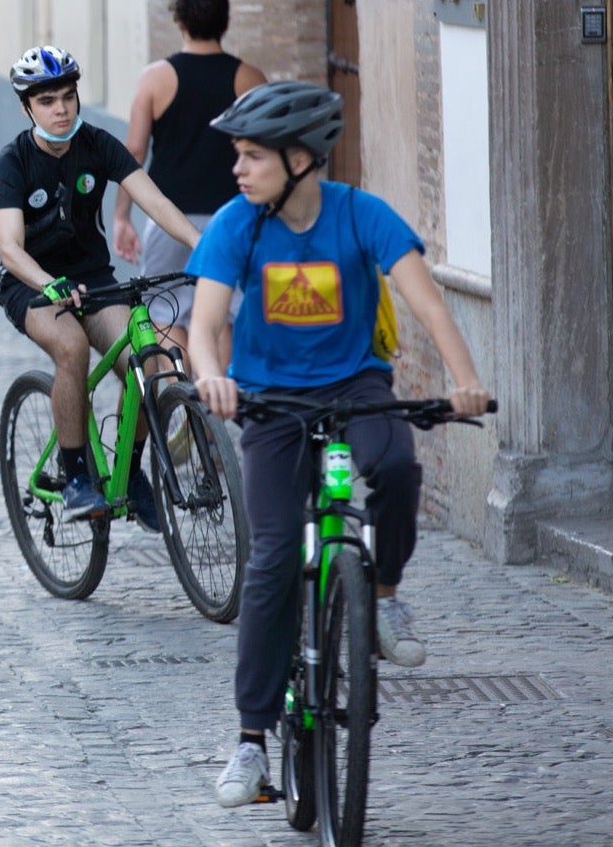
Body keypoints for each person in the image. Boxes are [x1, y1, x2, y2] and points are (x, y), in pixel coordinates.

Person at [184, 82, 491, 807]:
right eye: (239, 155)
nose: (238, 168)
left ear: (300, 159)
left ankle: (383, 594)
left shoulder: (362, 216)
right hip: (268, 400)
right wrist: (211, 378)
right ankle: (251, 741)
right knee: (271, 561)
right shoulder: (236, 224)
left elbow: (425, 301)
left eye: (252, 155)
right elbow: (202, 325)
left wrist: (466, 380)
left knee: (395, 466)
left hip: (355, 386)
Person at [0, 45, 204, 525]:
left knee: (149, 360)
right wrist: (50, 284)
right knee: (71, 347)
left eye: (67, 97)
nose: (60, 109)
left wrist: (202, 244)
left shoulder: (98, 145)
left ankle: (130, 472)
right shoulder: (13, 163)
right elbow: (9, 248)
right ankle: (76, 475)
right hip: (31, 283)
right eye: (47, 101)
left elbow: (155, 200)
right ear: (27, 108)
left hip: (93, 279)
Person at [112, 0, 265, 361]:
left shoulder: (154, 78)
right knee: (226, 316)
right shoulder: (249, 79)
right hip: (232, 215)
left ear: (180, 22)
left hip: (168, 216)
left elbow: (133, 151)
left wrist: (122, 217)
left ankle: (178, 408)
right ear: (224, 23)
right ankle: (218, 412)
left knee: (165, 313)